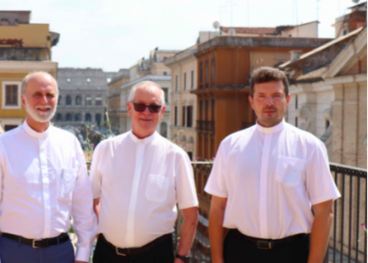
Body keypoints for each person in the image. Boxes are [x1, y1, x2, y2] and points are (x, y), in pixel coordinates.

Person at [205, 67, 341, 263]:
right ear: (252, 102)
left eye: (276, 95)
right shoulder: (230, 145)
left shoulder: (310, 146)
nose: (269, 102)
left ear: (287, 100)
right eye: (261, 96)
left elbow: (325, 211)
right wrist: (217, 259)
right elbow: (217, 207)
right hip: (239, 252)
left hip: (292, 253)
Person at [0, 71, 96, 263]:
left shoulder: (70, 144)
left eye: (50, 95)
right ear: (23, 100)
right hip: (14, 252)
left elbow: (82, 203)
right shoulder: (2, 146)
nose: (44, 101)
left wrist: (83, 253)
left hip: (60, 252)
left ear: (57, 99)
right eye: (37, 94)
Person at [90, 81, 199, 263]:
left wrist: (181, 257)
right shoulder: (105, 149)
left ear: (162, 111)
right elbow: (93, 200)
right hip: (107, 254)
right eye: (140, 106)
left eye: (154, 107)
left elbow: (191, 214)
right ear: (129, 108)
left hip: (155, 255)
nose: (147, 112)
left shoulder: (176, 156)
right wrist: (103, 233)